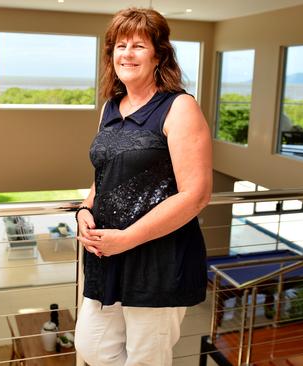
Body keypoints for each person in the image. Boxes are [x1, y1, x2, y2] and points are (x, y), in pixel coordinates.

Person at [73, 7, 213, 366]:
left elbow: (195, 195)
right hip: (108, 257)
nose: (127, 54)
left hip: (158, 258)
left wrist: (128, 238)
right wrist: (85, 211)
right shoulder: (110, 108)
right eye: (120, 46)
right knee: (91, 346)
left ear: (158, 55)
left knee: (147, 359)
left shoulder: (179, 107)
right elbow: (104, 174)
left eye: (138, 45)